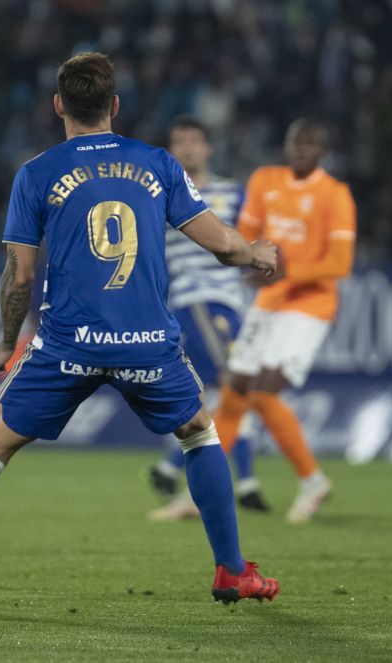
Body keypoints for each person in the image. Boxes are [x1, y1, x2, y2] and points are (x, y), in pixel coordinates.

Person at [0, 52, 279, 610]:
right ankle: (230, 571)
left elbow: (20, 274)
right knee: (199, 431)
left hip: (67, 343)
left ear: (59, 106)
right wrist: (257, 253)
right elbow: (223, 246)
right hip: (147, 341)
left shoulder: (37, 173)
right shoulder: (157, 165)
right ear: (115, 106)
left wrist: (7, 341)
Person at [212, 118, 357, 524]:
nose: (301, 150)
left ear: (322, 151)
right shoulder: (265, 180)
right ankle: (200, 490)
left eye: (311, 144)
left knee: (262, 392)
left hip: (310, 305)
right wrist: (248, 258)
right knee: (234, 391)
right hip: (269, 301)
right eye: (296, 142)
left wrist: (287, 270)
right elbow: (247, 233)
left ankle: (312, 481)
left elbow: (339, 262)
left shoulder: (335, 194)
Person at [147, 115, 268, 518]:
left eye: (194, 141)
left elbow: (252, 236)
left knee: (212, 395)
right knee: (236, 385)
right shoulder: (159, 194)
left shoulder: (234, 194)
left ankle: (177, 470)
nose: (187, 149)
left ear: (208, 148)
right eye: (179, 142)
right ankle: (240, 482)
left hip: (230, 303)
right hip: (195, 300)